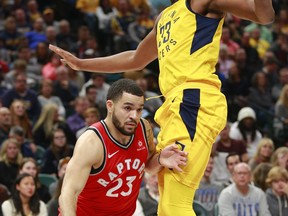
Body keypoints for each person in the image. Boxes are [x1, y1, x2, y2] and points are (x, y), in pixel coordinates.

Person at [49, 0, 275, 214]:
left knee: (175, 205)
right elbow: (136, 59)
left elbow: (264, 16)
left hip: (195, 100)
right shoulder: (164, 17)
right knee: (167, 204)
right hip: (176, 105)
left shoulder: (199, 3)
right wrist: (81, 64)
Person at [56, 79, 187, 215]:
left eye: (139, 109)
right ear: (110, 106)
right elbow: (67, 194)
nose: (134, 116)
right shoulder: (91, 142)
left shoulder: (143, 128)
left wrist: (159, 159)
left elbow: (148, 166)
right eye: (127, 108)